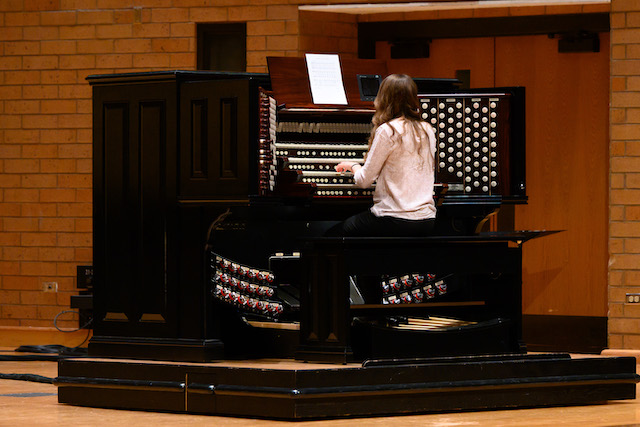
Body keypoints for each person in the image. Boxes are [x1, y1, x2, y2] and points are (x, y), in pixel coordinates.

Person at [333, 74, 437, 237]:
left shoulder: (388, 130)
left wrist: (352, 166)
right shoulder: (427, 129)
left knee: (332, 236)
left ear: (384, 99)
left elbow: (364, 181)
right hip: (426, 220)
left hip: (393, 219)